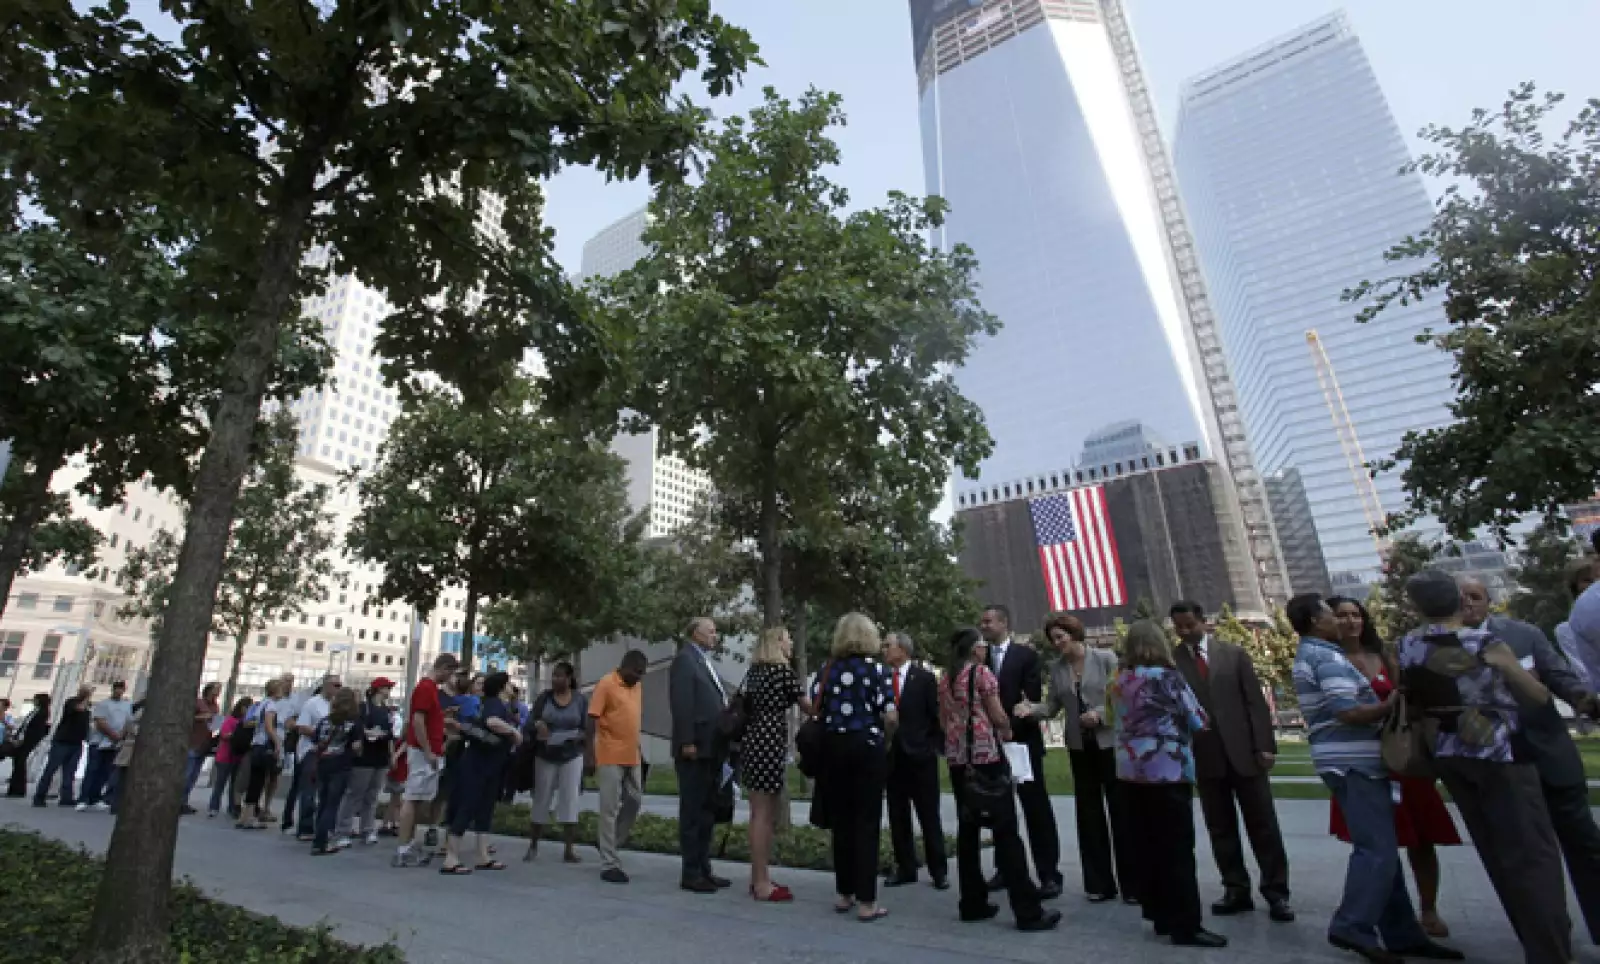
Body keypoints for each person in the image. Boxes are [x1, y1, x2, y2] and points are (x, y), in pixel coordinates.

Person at [1400, 569, 1573, 964]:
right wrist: (1512, 668)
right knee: (1532, 857)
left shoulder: (1407, 645)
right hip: (1499, 754)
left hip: (1449, 755)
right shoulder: (1483, 641)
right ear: (1457, 600)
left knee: (1496, 854)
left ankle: (1533, 939)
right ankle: (1550, 952)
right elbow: (1539, 697)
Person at [1292, 594, 1463, 964]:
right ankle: (1351, 924)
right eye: (1330, 614)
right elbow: (1348, 711)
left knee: (1382, 850)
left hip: (1358, 762)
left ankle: (1402, 933)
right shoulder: (1325, 657)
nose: (1339, 621)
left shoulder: (1321, 654)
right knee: (1377, 850)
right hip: (1353, 764)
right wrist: (1394, 703)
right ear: (1313, 621)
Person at [1464, 575, 1600, 946]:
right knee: (1533, 859)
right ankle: (1554, 935)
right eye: (1460, 598)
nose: (1468, 604)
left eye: (1475, 596)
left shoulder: (1523, 634)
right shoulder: (1444, 649)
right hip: (1501, 767)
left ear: (1488, 600)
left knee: (1585, 844)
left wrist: (1583, 699)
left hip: (1550, 755)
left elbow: (1559, 676)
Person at [1170, 600, 1293, 922]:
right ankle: (1235, 888)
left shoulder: (1233, 654)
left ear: (1204, 622)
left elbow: (1255, 703)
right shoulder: (1173, 662)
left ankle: (1277, 892)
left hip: (1245, 753)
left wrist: (1264, 746)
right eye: (1178, 627)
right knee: (1220, 827)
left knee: (1263, 825)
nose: (1184, 632)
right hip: (1205, 756)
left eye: (1189, 625)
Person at [1109, 620, 1225, 949]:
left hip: (1130, 771)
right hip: (1166, 770)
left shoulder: (1119, 679)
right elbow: (1198, 720)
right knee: (1176, 849)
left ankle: (1158, 913)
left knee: (1146, 846)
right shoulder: (1167, 678)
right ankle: (1186, 924)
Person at [940, 627, 1060, 932]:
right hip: (986, 759)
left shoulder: (945, 678)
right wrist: (1004, 729)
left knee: (968, 831)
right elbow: (998, 715)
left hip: (958, 760)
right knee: (1006, 830)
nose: (984, 649)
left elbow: (944, 720)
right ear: (975, 649)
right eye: (981, 645)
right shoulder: (981, 674)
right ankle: (1028, 910)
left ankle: (972, 901)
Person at [1017, 614, 1131, 904]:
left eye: (1061, 637)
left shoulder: (1105, 659)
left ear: (1074, 634)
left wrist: (1101, 716)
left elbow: (1125, 699)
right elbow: (1053, 706)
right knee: (1089, 814)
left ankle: (1135, 884)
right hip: (1080, 747)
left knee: (1122, 812)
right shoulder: (1057, 668)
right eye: (1053, 639)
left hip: (1109, 744)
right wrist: (1031, 709)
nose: (1057, 644)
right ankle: (1099, 883)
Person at [813, 613, 898, 923]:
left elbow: (816, 707)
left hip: (834, 748)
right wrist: (884, 740)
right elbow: (889, 715)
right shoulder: (878, 670)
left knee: (842, 822)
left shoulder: (827, 669)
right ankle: (867, 901)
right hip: (867, 746)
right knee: (866, 822)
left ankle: (844, 893)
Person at [976, 604, 1061, 897]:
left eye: (988, 621)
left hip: (1023, 743)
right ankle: (1006, 868)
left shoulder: (1026, 656)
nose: (983, 626)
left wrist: (1007, 725)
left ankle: (1048, 873)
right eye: (982, 622)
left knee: (1036, 809)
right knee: (1000, 810)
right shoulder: (980, 659)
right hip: (991, 747)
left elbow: (1031, 698)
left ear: (1004, 622)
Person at [742, 627, 810, 902]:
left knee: (757, 812)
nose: (791, 642)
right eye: (787, 638)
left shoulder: (754, 673)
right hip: (769, 742)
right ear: (776, 644)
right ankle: (761, 884)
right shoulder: (782, 673)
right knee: (764, 814)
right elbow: (809, 707)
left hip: (752, 740)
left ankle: (758, 876)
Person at [879, 632, 946, 893]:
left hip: (921, 756)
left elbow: (935, 716)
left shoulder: (925, 679)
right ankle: (906, 867)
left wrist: (931, 747)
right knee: (898, 814)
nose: (884, 649)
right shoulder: (882, 678)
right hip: (892, 757)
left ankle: (938, 870)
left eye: (888, 645)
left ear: (903, 650)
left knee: (928, 814)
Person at [670, 616, 731, 894]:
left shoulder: (704, 661)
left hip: (712, 749)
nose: (714, 636)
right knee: (693, 812)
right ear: (695, 633)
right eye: (711, 631)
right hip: (695, 748)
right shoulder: (684, 660)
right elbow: (682, 703)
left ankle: (705, 869)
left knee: (707, 813)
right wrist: (687, 741)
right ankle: (690, 872)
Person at [439, 671, 520, 875]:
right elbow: (492, 722)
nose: (511, 687)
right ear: (502, 687)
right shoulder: (494, 703)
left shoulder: (500, 705)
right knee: (467, 807)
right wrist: (513, 732)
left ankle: (483, 856)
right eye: (508, 684)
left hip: (490, 765)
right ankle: (451, 858)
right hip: (478, 765)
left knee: (485, 809)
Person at [393, 653, 459, 868]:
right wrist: (429, 750)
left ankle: (409, 844)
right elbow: (418, 721)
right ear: (443, 668)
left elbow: (425, 718)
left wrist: (441, 716)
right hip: (423, 753)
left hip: (427, 751)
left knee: (419, 798)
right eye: (450, 672)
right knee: (413, 797)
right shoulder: (425, 688)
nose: (450, 678)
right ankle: (403, 848)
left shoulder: (430, 690)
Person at [590, 650, 647, 884]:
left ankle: (610, 842)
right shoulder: (606, 684)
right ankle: (609, 863)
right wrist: (588, 754)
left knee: (634, 800)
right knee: (610, 807)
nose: (639, 677)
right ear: (624, 667)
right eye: (636, 672)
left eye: (642, 673)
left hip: (632, 754)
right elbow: (591, 718)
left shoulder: (637, 687)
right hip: (609, 753)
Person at [525, 661, 589, 865]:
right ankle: (533, 845)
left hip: (571, 754)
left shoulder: (580, 700)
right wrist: (538, 725)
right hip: (546, 754)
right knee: (541, 798)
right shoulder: (544, 698)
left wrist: (579, 738)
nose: (555, 679)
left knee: (570, 799)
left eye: (560, 675)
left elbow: (586, 727)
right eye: (554, 675)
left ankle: (569, 849)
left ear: (570, 679)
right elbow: (530, 721)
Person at [337, 678, 397, 847]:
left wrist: (392, 755)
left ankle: (368, 829)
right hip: (364, 757)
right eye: (386, 688)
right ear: (378, 689)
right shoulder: (364, 708)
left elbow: (390, 734)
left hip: (381, 756)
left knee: (372, 795)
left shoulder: (386, 710)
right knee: (355, 794)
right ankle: (343, 830)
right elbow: (357, 728)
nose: (388, 691)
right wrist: (367, 734)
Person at [311, 685, 364, 856]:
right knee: (332, 805)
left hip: (323, 764)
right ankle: (323, 841)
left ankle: (317, 837)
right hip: (341, 766)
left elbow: (316, 739)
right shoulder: (353, 723)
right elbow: (356, 747)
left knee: (323, 801)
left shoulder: (325, 720)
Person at [290, 675, 340, 840]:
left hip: (330, 751)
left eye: (340, 685)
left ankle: (323, 827)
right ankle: (305, 827)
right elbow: (301, 727)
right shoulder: (312, 704)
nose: (338, 688)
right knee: (309, 790)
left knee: (327, 791)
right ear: (326, 685)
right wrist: (320, 734)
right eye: (335, 685)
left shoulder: (336, 706)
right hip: (311, 750)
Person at [238, 679, 286, 829]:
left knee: (254, 781)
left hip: (256, 743)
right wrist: (277, 742)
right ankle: (250, 817)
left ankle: (245, 815)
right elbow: (269, 726)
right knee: (259, 781)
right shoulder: (271, 706)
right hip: (264, 746)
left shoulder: (261, 704)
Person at [34, 685, 92, 808]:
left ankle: (66, 798)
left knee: (70, 772)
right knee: (51, 769)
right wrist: (86, 698)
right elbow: (79, 709)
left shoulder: (87, 707)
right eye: (85, 692)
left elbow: (85, 723)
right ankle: (39, 796)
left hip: (76, 743)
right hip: (62, 741)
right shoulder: (71, 702)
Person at [80, 681, 132, 811]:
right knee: (92, 770)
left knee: (105, 772)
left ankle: (95, 797)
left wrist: (121, 735)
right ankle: (83, 798)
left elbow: (128, 722)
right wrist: (113, 735)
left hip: (114, 744)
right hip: (99, 742)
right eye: (117, 689)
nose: (119, 691)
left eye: (121, 689)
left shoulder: (127, 705)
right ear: (113, 690)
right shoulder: (103, 704)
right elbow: (100, 722)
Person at [180, 682, 222, 814]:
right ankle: (178, 801)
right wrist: (202, 717)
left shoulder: (215, 707)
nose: (217, 693)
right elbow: (187, 718)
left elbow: (213, 722)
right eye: (216, 690)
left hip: (205, 743)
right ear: (209, 691)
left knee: (193, 776)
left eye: (219, 691)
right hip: (193, 742)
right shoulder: (198, 702)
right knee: (187, 774)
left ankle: (184, 801)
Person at [1557, 559, 1600, 688]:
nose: (1594, 584)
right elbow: (1584, 671)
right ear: (1574, 586)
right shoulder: (1566, 629)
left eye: (1597, 578)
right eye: (1587, 580)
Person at [209, 697, 252, 818]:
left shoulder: (246, 722)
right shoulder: (231, 720)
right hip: (225, 756)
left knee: (235, 784)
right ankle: (214, 807)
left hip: (238, 757)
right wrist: (237, 734)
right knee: (220, 783)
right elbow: (224, 734)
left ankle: (232, 807)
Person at [5, 694, 48, 798]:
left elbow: (33, 729)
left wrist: (21, 739)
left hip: (27, 741)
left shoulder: (42, 713)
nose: (34, 701)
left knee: (20, 762)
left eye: (35, 699)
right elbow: (25, 726)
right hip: (23, 738)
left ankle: (18, 789)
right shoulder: (35, 711)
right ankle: (14, 789)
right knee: (18, 762)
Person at [105, 700, 145, 813]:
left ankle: (115, 803)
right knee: (125, 780)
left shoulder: (130, 720)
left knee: (120, 779)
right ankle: (119, 804)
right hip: (133, 751)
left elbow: (121, 735)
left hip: (126, 750)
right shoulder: (139, 722)